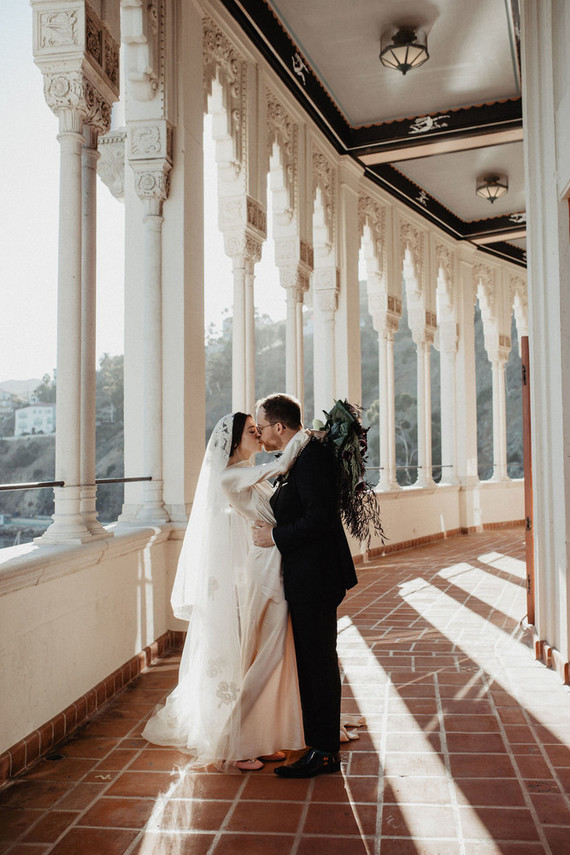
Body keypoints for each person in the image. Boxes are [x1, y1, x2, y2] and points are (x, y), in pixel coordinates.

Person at [142, 412, 309, 771]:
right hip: (256, 573)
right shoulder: (229, 476)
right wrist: (308, 436)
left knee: (265, 651)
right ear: (234, 441)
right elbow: (281, 467)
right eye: (252, 431)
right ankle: (236, 742)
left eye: (258, 428)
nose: (259, 435)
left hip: (267, 565)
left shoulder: (247, 474)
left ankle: (259, 734)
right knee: (254, 652)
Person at [253, 393, 358, 778]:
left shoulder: (310, 456)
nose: (259, 434)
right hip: (309, 574)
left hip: (316, 576)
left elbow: (320, 518)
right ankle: (319, 743)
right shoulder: (299, 453)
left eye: (261, 427)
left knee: (318, 663)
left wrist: (275, 536)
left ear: (279, 427)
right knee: (314, 661)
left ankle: (325, 752)